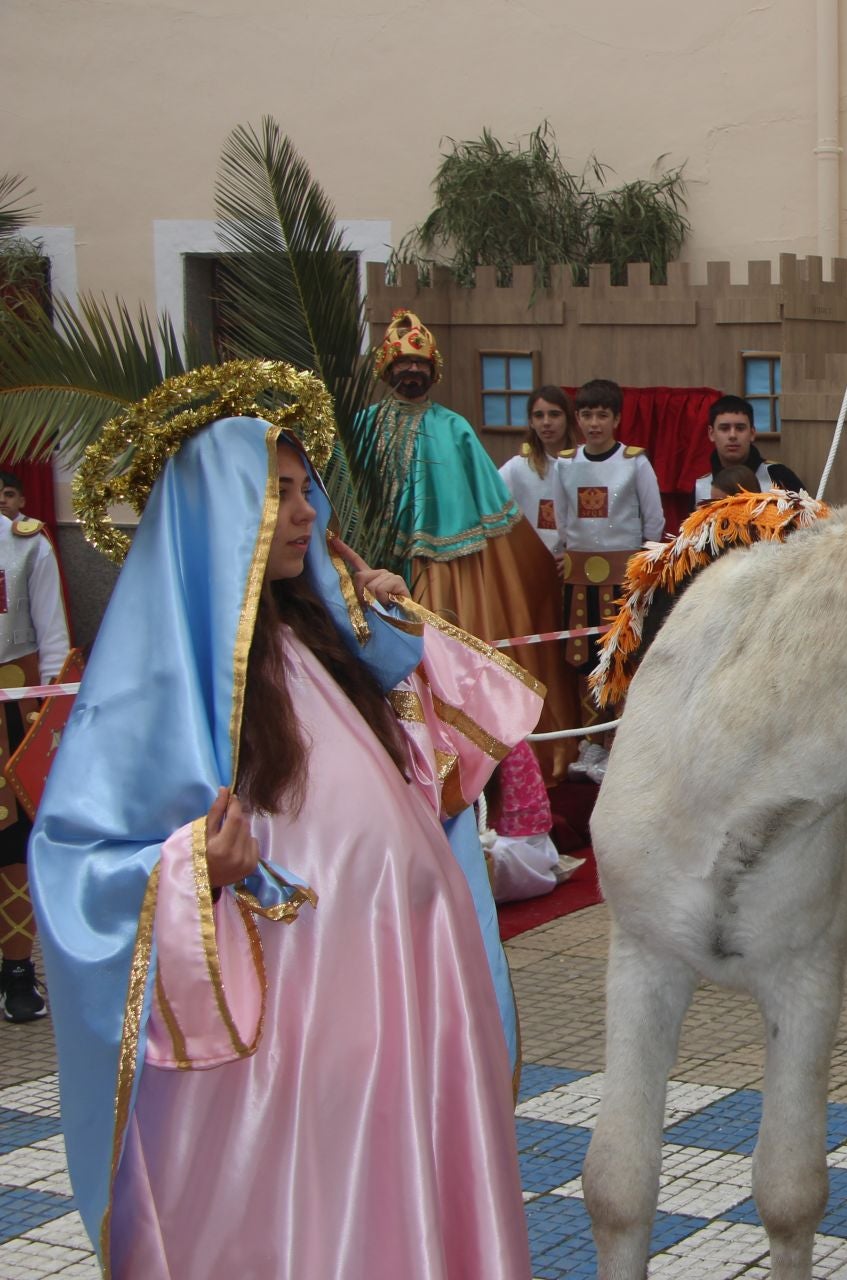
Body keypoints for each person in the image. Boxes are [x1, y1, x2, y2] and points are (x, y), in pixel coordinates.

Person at [31, 391, 539, 1278]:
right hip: (291, 1030)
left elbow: (444, 763)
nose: (309, 510)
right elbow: (77, 858)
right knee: (315, 1216)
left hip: (403, 991)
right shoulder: (161, 676)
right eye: (282, 493)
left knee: (399, 1191)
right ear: (221, 514)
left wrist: (387, 621)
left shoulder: (321, 633)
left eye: (307, 490)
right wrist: (193, 865)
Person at [348, 308, 574, 776]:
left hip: (444, 565)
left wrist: (531, 559)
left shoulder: (455, 428)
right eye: (404, 365)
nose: (412, 372)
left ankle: (456, 761)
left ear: (433, 372)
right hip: (371, 565)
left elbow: (494, 503)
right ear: (388, 370)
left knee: (442, 662)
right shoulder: (362, 426)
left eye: (421, 365)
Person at [554, 378, 664, 780]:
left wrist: (644, 571)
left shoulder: (635, 462)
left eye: (602, 414)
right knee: (583, 658)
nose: (594, 423)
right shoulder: (565, 464)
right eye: (586, 414)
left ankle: (619, 740)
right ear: (578, 419)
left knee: (622, 658)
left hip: (624, 577)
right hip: (579, 578)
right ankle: (590, 741)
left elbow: (653, 520)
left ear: (616, 418)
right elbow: (562, 520)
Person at [0, 505, 70, 1022]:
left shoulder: (27, 543)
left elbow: (52, 638)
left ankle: (18, 971)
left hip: (11, 706)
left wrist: (45, 718)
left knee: (12, 843)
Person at [497, 385, 579, 556]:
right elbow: (487, 501)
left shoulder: (584, 463)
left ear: (569, 418)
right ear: (531, 422)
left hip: (577, 563)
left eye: (554, 414)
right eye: (538, 415)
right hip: (532, 563)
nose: (546, 422)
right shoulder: (517, 467)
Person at [691, 395, 803, 502]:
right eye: (724, 428)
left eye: (740, 428)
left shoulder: (779, 476)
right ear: (711, 433)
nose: (732, 435)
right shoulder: (700, 487)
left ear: (752, 433)